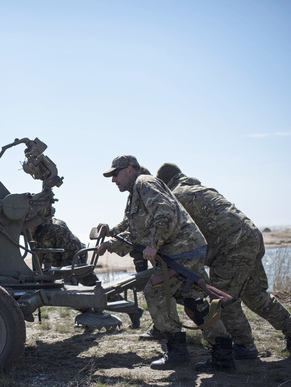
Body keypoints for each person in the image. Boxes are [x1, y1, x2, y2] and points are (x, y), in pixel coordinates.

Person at [97, 155, 235, 371]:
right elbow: (133, 229)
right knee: (193, 301)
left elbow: (165, 212)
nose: (113, 179)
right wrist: (110, 234)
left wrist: (153, 244)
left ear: (131, 170)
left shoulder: (144, 183)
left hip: (181, 252)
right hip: (186, 251)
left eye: (116, 173)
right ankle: (223, 355)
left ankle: (177, 352)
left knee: (155, 292)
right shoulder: (136, 192)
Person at [156, 163, 291, 357]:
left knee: (223, 299)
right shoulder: (201, 189)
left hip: (231, 247)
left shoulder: (176, 197)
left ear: (164, 183)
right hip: (252, 236)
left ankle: (245, 346)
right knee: (255, 294)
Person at [31, 218, 98, 286]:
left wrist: (72, 275)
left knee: (87, 282)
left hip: (76, 256)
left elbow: (71, 252)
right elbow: (35, 254)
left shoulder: (56, 229)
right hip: (56, 260)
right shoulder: (28, 232)